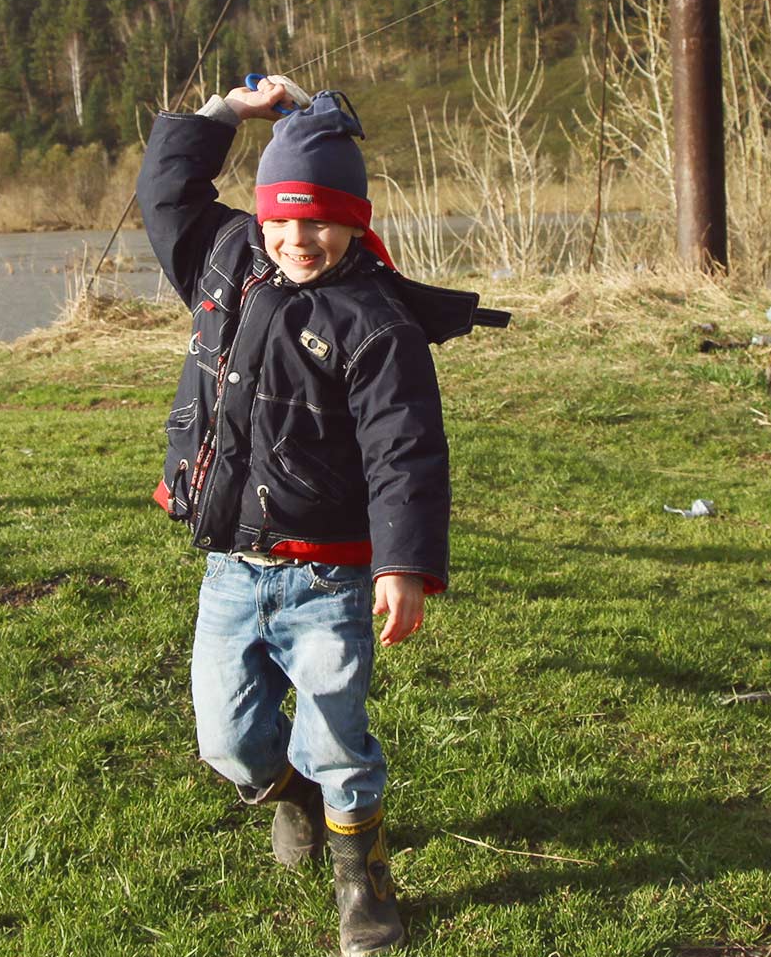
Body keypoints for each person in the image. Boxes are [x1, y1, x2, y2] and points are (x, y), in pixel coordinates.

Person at [138, 78, 503, 955]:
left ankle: (361, 875)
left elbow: (405, 453)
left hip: (330, 574)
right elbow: (164, 191)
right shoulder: (223, 257)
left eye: (320, 220)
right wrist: (226, 116)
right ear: (260, 213)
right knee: (227, 743)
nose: (298, 239)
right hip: (232, 564)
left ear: (356, 219)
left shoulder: (376, 323)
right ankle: (289, 794)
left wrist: (402, 562)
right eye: (282, 219)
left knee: (336, 736)